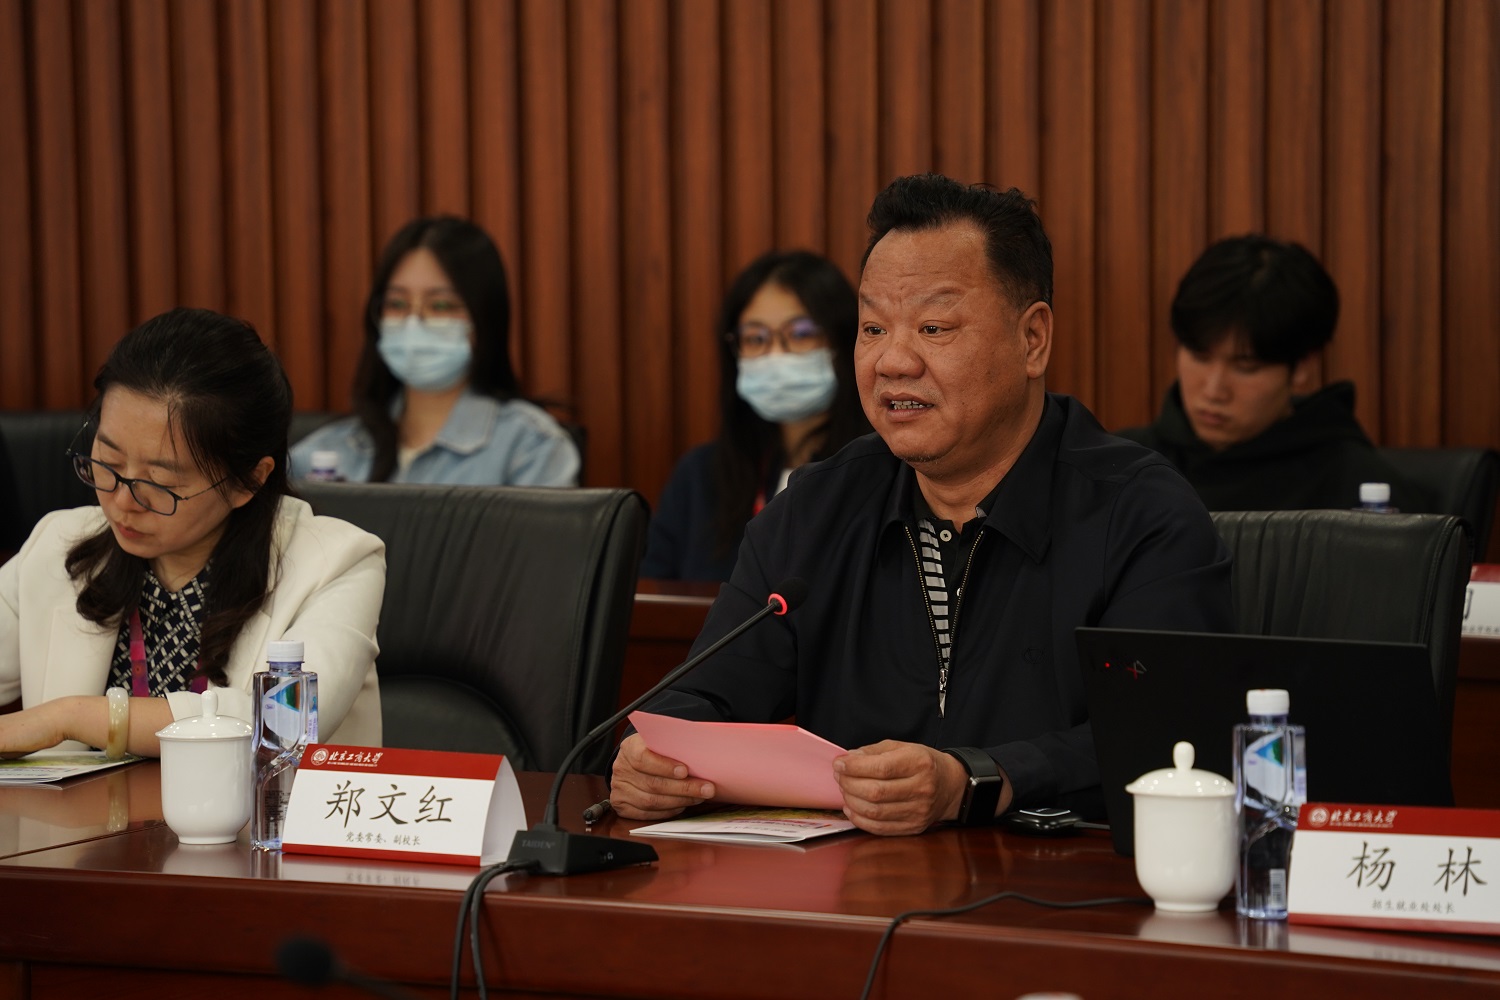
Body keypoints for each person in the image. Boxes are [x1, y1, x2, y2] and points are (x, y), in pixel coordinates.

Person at [611, 174, 1233, 835]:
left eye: (933, 327)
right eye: (873, 328)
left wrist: (974, 780)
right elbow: (703, 696)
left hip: (1058, 886)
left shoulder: (1140, 514)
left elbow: (1167, 738)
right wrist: (655, 756)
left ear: (1032, 340)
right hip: (852, 886)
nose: (893, 362)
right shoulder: (815, 510)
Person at [0, 308, 385, 756]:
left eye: (160, 484)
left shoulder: (337, 563)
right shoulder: (58, 543)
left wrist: (68, 718)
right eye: (107, 462)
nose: (122, 502)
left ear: (249, 480)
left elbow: (283, 724)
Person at [1117, 235, 1432, 511]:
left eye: (1246, 367)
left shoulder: (1359, 488)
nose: (1213, 390)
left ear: (1302, 367)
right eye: (1200, 356)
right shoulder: (1118, 464)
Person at [290, 216, 580, 486]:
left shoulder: (531, 448)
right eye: (397, 304)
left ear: (483, 318)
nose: (413, 323)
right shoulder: (323, 453)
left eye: (440, 306)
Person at [641, 251, 871, 581]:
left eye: (801, 333)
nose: (775, 354)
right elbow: (651, 593)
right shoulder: (701, 476)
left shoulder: (880, 472)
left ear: (844, 339)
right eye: (756, 338)